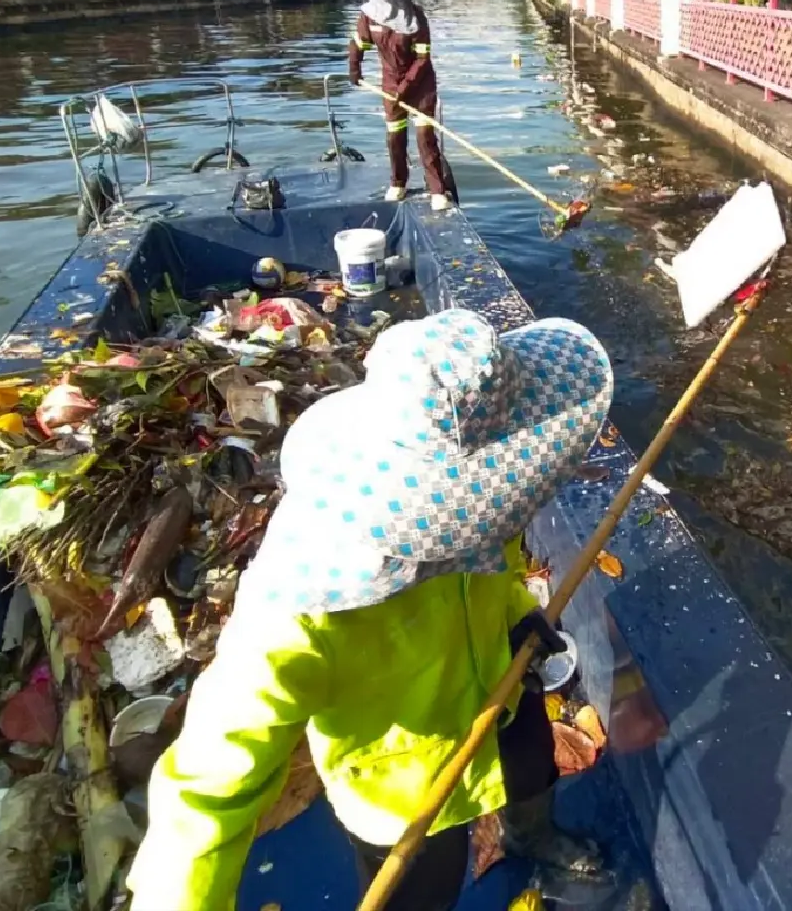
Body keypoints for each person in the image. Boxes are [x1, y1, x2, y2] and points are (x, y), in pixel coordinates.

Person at [128, 307, 613, 911]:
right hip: (404, 792)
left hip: (504, 682)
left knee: (531, 766)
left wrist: (519, 613)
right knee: (419, 892)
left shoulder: (474, 514)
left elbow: (492, 570)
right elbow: (202, 793)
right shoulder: (295, 612)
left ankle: (530, 834)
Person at [349, 0, 452, 211]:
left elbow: (422, 59)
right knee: (395, 136)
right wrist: (355, 68)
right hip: (389, 84)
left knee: (425, 138)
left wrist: (404, 88)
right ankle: (398, 183)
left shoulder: (416, 19)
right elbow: (358, 44)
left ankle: (437, 189)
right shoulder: (368, 16)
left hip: (421, 86)